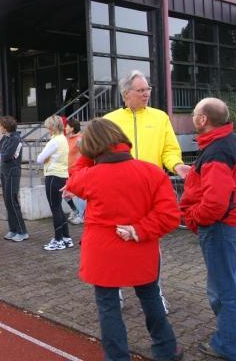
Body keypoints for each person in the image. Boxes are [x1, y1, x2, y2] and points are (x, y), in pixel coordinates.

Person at [65, 118, 182, 361]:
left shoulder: (90, 176)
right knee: (150, 298)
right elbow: (170, 216)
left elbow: (74, 175)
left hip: (102, 251)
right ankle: (166, 350)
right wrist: (139, 229)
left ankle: (117, 357)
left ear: (94, 148)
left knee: (108, 307)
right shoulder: (151, 172)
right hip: (141, 247)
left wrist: (88, 154)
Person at [103, 70, 190, 313]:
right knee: (117, 243)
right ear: (126, 94)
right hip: (118, 193)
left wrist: (177, 165)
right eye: (141, 90)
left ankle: (155, 292)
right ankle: (115, 290)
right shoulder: (110, 120)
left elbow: (169, 150)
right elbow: (99, 155)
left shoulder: (160, 117)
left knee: (151, 244)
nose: (146, 94)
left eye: (148, 89)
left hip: (150, 192)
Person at [180, 97, 236, 359]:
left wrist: (193, 217)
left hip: (221, 228)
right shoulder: (232, 141)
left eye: (194, 114)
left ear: (203, 120)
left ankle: (228, 346)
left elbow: (214, 203)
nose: (192, 118)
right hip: (235, 223)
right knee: (235, 282)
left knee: (222, 290)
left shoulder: (216, 152)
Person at [37, 115, 73, 251]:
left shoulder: (54, 141)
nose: (46, 128)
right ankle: (66, 238)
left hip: (53, 176)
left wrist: (46, 159)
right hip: (62, 175)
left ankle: (58, 239)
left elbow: (39, 159)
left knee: (55, 208)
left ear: (52, 126)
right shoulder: (63, 139)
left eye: (47, 126)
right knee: (58, 207)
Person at [0, 115, 28, 242]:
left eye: (1, 126)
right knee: (7, 201)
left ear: (6, 126)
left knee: (12, 200)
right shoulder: (5, 137)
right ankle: (13, 229)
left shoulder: (15, 138)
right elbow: (0, 152)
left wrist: (0, 155)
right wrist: (0, 154)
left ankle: (22, 231)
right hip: (4, 171)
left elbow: (6, 156)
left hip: (12, 172)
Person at [65, 118, 85, 224]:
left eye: (67, 126)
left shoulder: (80, 139)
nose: (65, 128)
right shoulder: (67, 139)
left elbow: (86, 155)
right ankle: (75, 211)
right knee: (65, 195)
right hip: (67, 171)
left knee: (79, 194)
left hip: (77, 171)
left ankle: (81, 216)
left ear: (72, 128)